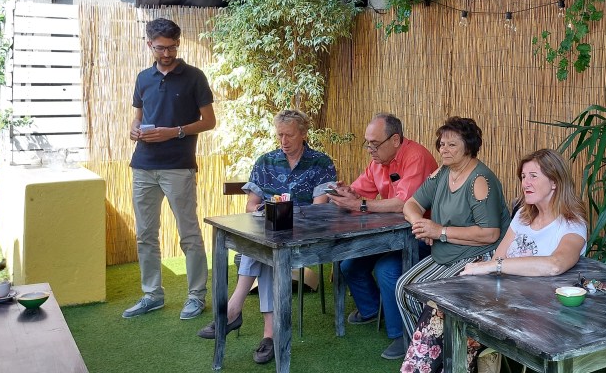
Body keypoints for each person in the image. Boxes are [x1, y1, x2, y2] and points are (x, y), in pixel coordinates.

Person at [401, 148, 588, 373]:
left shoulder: (572, 224)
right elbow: (500, 254)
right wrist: (492, 270)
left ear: (555, 181)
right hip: (502, 297)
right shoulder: (523, 216)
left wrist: (492, 266)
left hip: (536, 309)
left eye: (533, 176)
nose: (525, 183)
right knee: (441, 309)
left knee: (453, 320)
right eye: (523, 177)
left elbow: (555, 264)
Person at [197, 109, 337, 365]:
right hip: (271, 232)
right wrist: (268, 212)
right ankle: (268, 335)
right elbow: (251, 206)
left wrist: (286, 213)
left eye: (289, 135)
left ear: (303, 134)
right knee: (265, 248)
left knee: (263, 249)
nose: (283, 141)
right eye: (279, 135)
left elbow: (319, 210)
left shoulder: (321, 163)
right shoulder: (265, 162)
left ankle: (233, 312)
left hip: (304, 235)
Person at [124, 17, 216, 321]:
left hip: (178, 166)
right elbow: (138, 117)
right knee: (145, 235)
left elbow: (209, 122)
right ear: (149, 44)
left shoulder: (194, 77)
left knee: (188, 234)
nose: (167, 53)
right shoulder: (143, 78)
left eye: (172, 47)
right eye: (161, 48)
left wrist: (174, 132)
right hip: (143, 165)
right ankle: (152, 295)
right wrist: (134, 129)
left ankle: (196, 296)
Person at [326, 113, 438, 360]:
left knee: (387, 269)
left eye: (374, 144)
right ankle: (372, 309)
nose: (370, 150)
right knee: (350, 265)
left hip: (422, 236)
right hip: (390, 235)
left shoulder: (416, 157)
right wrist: (346, 192)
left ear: (395, 140)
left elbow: (404, 203)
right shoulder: (378, 160)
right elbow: (359, 191)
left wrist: (360, 204)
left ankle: (402, 334)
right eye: (367, 143)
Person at [397, 116, 511, 344]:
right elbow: (411, 204)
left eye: (452, 144)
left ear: (468, 147)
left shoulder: (480, 180)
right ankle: (423, 349)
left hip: (478, 256)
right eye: (442, 144)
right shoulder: (443, 172)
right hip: (445, 252)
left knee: (433, 300)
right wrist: (420, 225)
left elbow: (490, 233)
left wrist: (439, 231)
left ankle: (442, 352)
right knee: (404, 290)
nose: (444, 149)